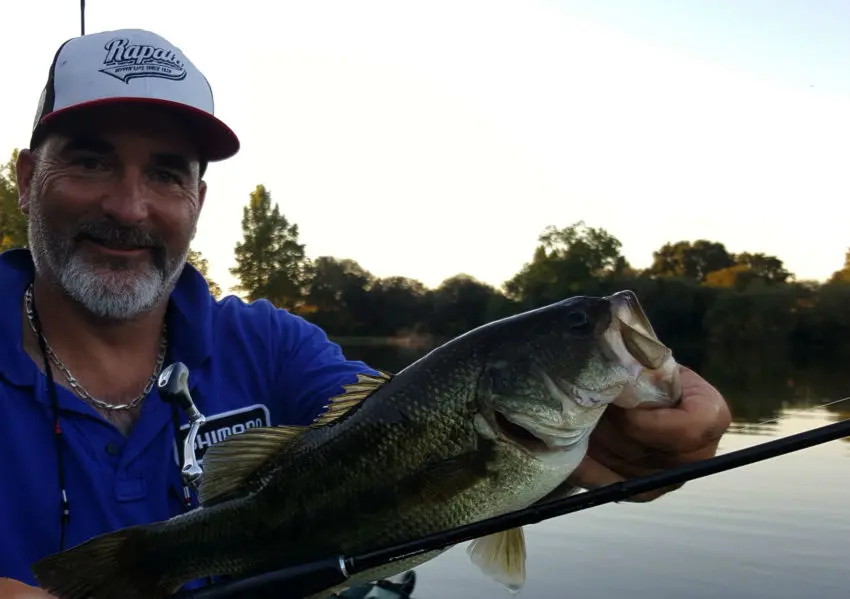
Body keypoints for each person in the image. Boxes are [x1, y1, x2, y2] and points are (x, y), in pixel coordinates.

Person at [0, 28, 732, 599]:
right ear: (28, 181)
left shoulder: (272, 347)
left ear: (197, 201)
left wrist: (650, 441)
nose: (130, 205)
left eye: (167, 172)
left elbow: (401, 435)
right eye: (90, 161)